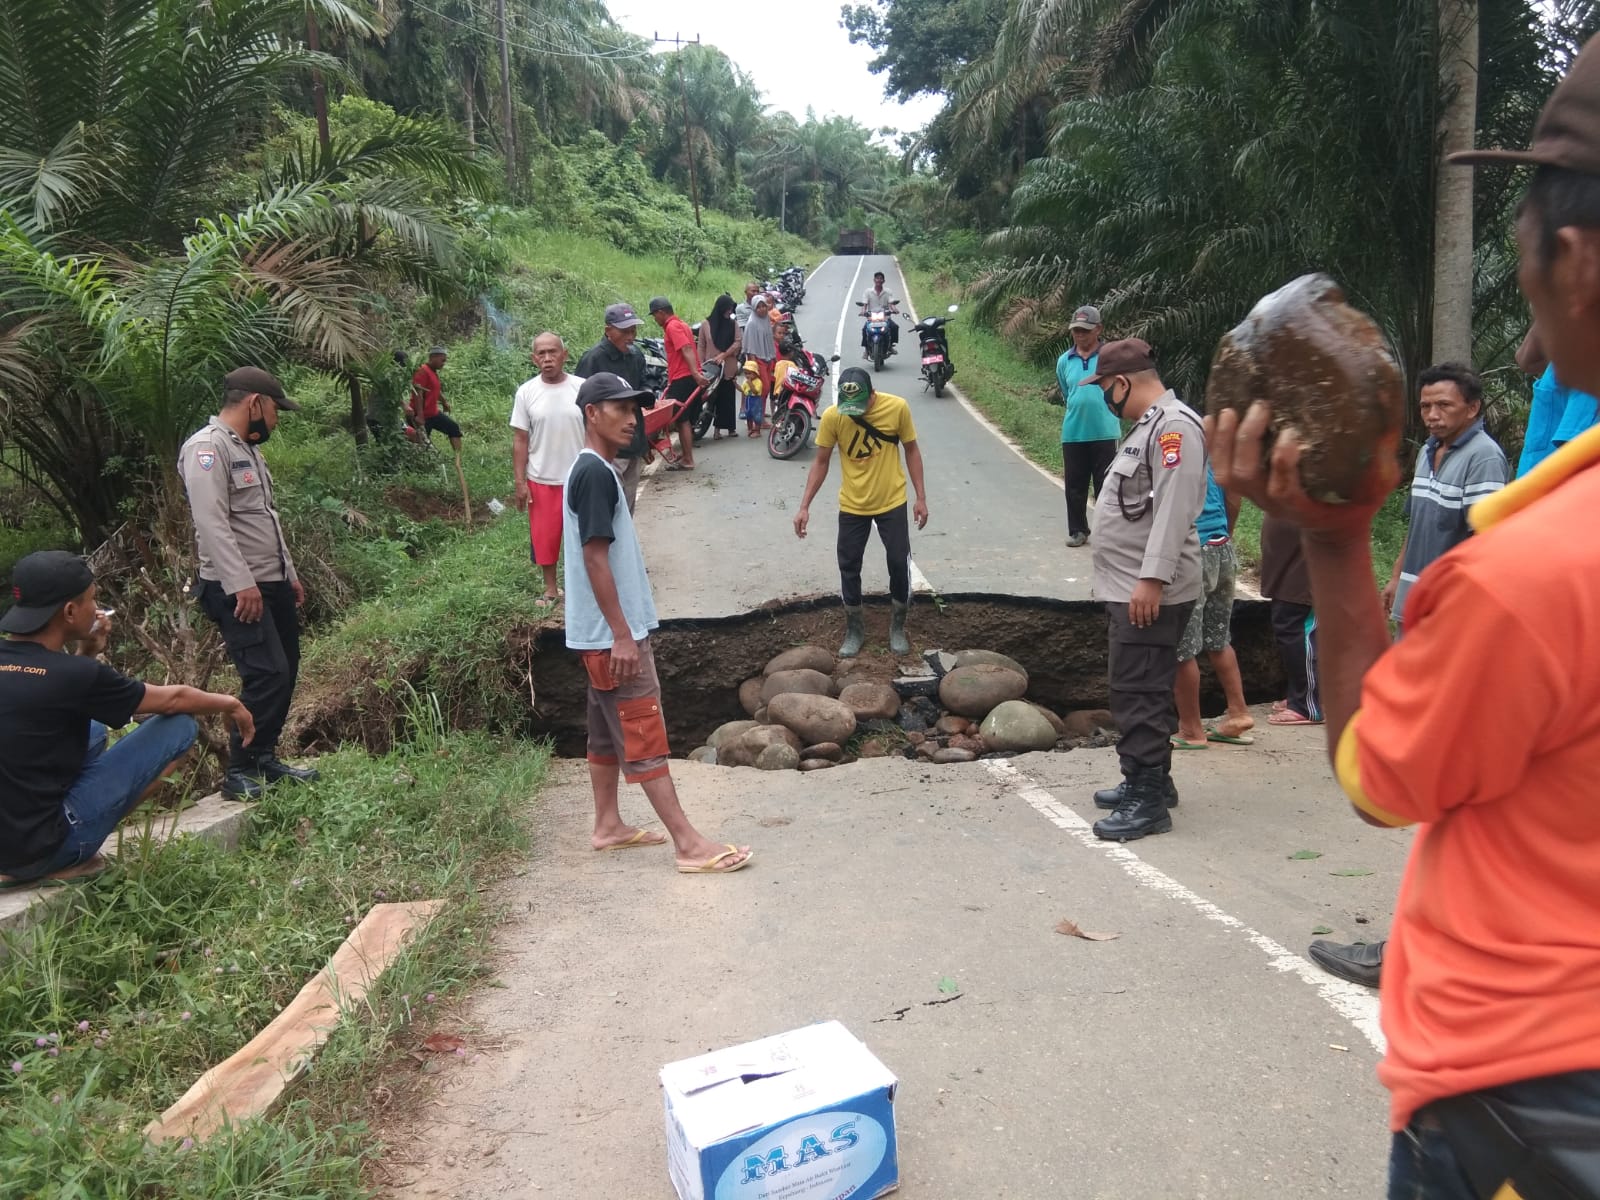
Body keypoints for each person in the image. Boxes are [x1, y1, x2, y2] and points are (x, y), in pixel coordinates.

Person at [1211, 40, 1600, 1195]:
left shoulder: (1539, 574)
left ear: (1572, 258)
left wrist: (1331, 534)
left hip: (1530, 1097)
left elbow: (1379, 780)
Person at [564, 373, 753, 875]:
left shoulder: (588, 470)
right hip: (612, 638)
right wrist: (623, 635)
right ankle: (688, 844)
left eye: (636, 410)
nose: (633, 420)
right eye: (621, 410)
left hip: (594, 636)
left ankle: (608, 824)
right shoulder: (596, 475)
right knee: (643, 730)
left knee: (606, 733)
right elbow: (595, 560)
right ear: (591, 413)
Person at [0, 551, 254, 887]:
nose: (96, 608)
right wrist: (231, 703)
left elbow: (61, 694)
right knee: (179, 728)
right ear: (70, 612)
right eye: (93, 600)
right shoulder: (75, 676)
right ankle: (71, 851)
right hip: (45, 847)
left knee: (91, 728)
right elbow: (174, 700)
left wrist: (89, 649)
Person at [1083, 339, 1207, 842]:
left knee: (1136, 692)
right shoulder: (1150, 427)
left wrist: (1151, 579)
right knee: (1145, 686)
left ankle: (1147, 800)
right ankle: (1152, 780)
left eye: (1107, 389)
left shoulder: (1174, 428)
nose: (1106, 399)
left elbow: (1175, 509)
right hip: (1130, 582)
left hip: (1148, 587)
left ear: (1124, 382)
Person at [178, 367, 318, 801]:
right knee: (265, 673)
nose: (276, 419)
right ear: (255, 403)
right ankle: (240, 770)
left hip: (268, 580)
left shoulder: (249, 450)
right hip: (235, 588)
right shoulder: (207, 448)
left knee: (286, 669)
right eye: (276, 409)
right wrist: (241, 584)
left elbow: (265, 520)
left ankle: (265, 758)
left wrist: (288, 576)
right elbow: (211, 522)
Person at [794, 368, 929, 658]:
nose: (855, 411)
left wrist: (921, 497)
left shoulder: (897, 408)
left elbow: (912, 451)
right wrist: (804, 506)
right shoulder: (833, 416)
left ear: (873, 394)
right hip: (853, 505)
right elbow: (820, 462)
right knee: (849, 564)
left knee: (897, 561)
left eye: (861, 405)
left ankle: (897, 625)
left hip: (892, 500)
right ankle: (854, 627)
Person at [1380, 363, 1509, 630]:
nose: (1432, 415)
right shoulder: (1428, 451)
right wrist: (1396, 578)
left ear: (1472, 408)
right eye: (1425, 406)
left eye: (1444, 405)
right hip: (1415, 595)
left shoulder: (1483, 456)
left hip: (1450, 605)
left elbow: (1485, 541)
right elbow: (1416, 526)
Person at [1170, 464, 1253, 749]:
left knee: (1182, 645)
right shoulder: (1210, 454)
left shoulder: (1171, 450)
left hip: (1195, 552)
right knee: (1219, 640)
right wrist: (1225, 532)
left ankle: (1190, 729)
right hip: (1222, 547)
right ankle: (1238, 712)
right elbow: (1234, 496)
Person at [511, 331, 586, 601]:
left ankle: (585, 590)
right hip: (541, 479)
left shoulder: (582, 387)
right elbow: (520, 439)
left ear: (564, 355)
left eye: (552, 352)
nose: (547, 358)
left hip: (580, 478)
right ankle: (551, 589)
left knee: (586, 538)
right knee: (546, 539)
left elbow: (598, 428)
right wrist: (520, 482)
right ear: (534, 359)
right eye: (541, 353)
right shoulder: (526, 393)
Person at [1054, 305, 1121, 548]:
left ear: (1098, 329)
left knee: (1107, 485)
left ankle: (1107, 533)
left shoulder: (1110, 357)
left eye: (1085, 330)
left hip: (1105, 431)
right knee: (1075, 485)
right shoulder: (1065, 360)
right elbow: (1066, 391)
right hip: (1073, 432)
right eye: (1076, 331)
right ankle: (1078, 530)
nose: (1080, 335)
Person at [576, 303, 649, 513]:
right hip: (607, 448)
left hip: (632, 442)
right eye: (625, 331)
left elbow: (642, 384)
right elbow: (581, 403)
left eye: (633, 330)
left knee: (627, 508)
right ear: (608, 330)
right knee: (608, 507)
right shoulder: (593, 359)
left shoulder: (636, 356)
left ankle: (625, 546)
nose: (631, 336)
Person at [1260, 514, 1323, 726]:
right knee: (1289, 625)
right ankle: (1301, 695)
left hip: (1305, 563)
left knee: (1298, 629)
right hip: (1292, 562)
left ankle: (1308, 704)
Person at [1516, 326, 1598, 476]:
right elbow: (1525, 360)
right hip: (1539, 481)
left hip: (1553, 486)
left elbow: (1575, 445)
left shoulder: (1590, 355)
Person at [648, 297, 703, 472]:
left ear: (661, 312)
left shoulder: (672, 327)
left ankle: (688, 459)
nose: (655, 320)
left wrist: (694, 373)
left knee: (681, 420)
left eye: (655, 316)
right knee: (682, 419)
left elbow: (686, 349)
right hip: (687, 376)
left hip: (683, 377)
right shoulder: (683, 325)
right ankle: (686, 456)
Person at [697, 294, 741, 439]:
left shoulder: (732, 324)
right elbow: (701, 346)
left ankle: (729, 429)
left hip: (727, 367)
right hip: (711, 368)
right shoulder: (706, 324)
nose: (730, 312)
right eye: (728, 309)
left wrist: (724, 355)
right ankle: (715, 430)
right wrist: (701, 365)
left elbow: (737, 342)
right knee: (712, 398)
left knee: (727, 398)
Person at [409, 346, 463, 452]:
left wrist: (444, 402)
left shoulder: (433, 371)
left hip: (433, 413)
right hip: (422, 415)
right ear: (433, 357)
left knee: (453, 428)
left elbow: (435, 390)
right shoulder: (422, 371)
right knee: (422, 444)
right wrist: (420, 416)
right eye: (442, 360)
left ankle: (458, 457)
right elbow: (417, 394)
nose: (443, 363)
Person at [740, 294, 778, 417]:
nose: (761, 309)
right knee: (764, 388)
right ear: (754, 309)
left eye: (763, 306)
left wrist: (773, 358)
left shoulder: (766, 319)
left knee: (765, 389)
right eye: (758, 307)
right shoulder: (752, 323)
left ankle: (759, 413)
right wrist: (753, 366)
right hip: (758, 359)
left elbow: (769, 340)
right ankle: (757, 416)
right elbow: (750, 347)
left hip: (768, 358)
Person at [858, 271, 900, 356]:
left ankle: (890, 346)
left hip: (885, 317)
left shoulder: (888, 291)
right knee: (864, 330)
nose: (879, 280)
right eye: (877, 278)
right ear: (874, 280)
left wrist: (895, 309)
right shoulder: (868, 292)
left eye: (881, 278)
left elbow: (891, 303)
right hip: (871, 318)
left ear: (883, 281)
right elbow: (865, 304)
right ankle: (866, 350)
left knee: (894, 327)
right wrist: (863, 312)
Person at [737, 359, 765, 438]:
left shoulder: (758, 381)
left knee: (757, 416)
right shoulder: (746, 382)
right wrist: (735, 384)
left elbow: (756, 392)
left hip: (756, 400)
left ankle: (757, 431)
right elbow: (742, 390)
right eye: (746, 373)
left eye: (749, 373)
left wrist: (750, 384)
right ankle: (750, 429)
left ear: (755, 373)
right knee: (748, 416)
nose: (747, 376)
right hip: (748, 400)